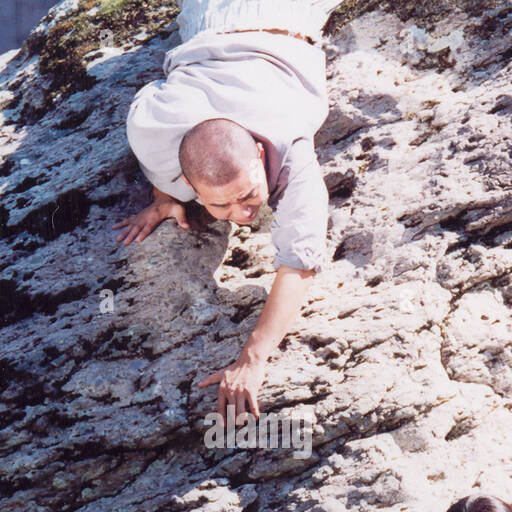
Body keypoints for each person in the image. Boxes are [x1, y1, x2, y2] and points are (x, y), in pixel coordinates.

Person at [115, 0, 346, 418]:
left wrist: (252, 359)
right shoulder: (151, 128)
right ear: (188, 183)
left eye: (248, 195)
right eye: (219, 204)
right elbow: (151, 138)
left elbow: (300, 262)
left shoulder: (289, 144)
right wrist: (163, 199)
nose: (242, 214)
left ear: (260, 155)